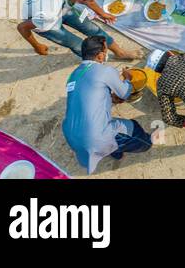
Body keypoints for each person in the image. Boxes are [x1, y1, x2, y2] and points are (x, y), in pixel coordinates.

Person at [62, 36, 152, 174]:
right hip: (94, 137)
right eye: (106, 50)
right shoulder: (105, 71)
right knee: (135, 130)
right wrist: (127, 78)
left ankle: (115, 152)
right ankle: (145, 143)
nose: (107, 53)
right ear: (100, 55)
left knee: (107, 136)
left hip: (70, 135)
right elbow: (125, 93)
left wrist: (109, 98)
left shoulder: (73, 75)